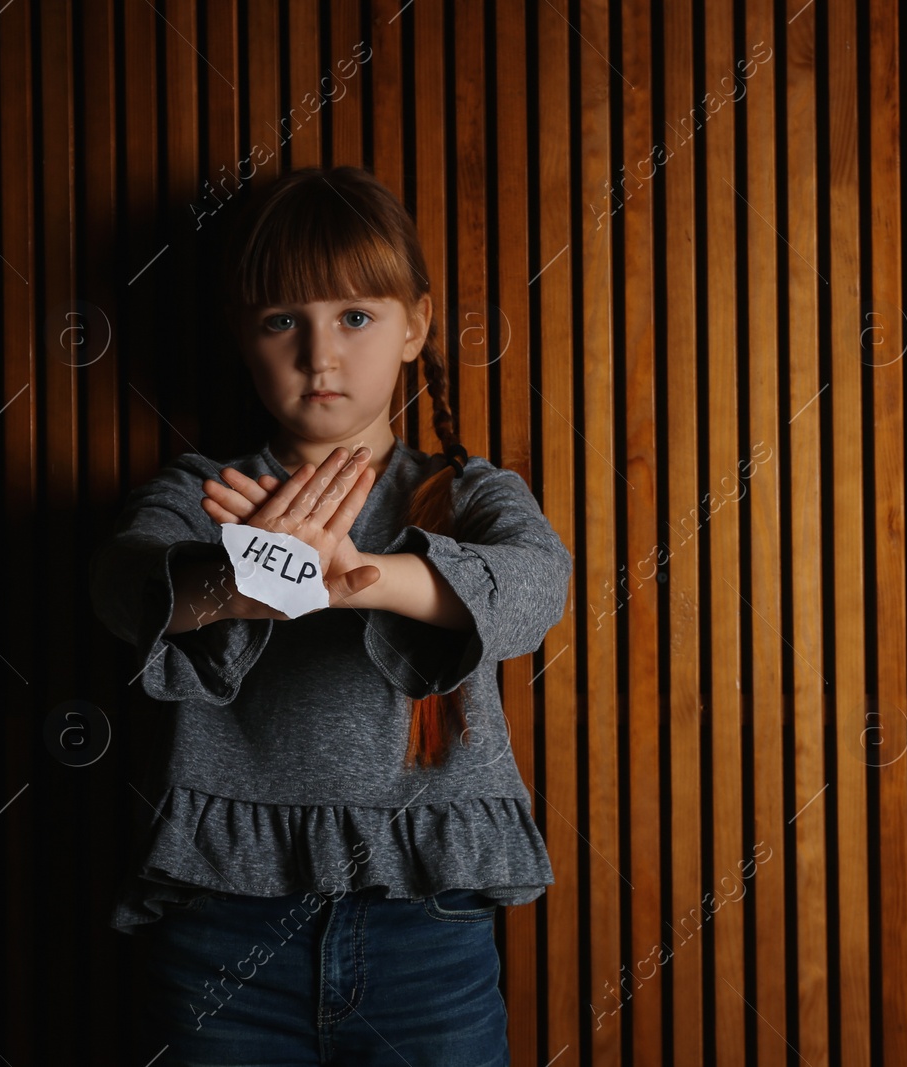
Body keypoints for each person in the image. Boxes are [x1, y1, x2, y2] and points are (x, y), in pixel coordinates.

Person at [88, 165, 572, 1065]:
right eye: (284, 320)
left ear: (416, 325)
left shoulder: (465, 491)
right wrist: (248, 582)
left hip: (426, 933)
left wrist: (361, 575)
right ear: (244, 336)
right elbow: (122, 590)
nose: (322, 353)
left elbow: (538, 584)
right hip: (220, 933)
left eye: (356, 316)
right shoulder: (203, 494)